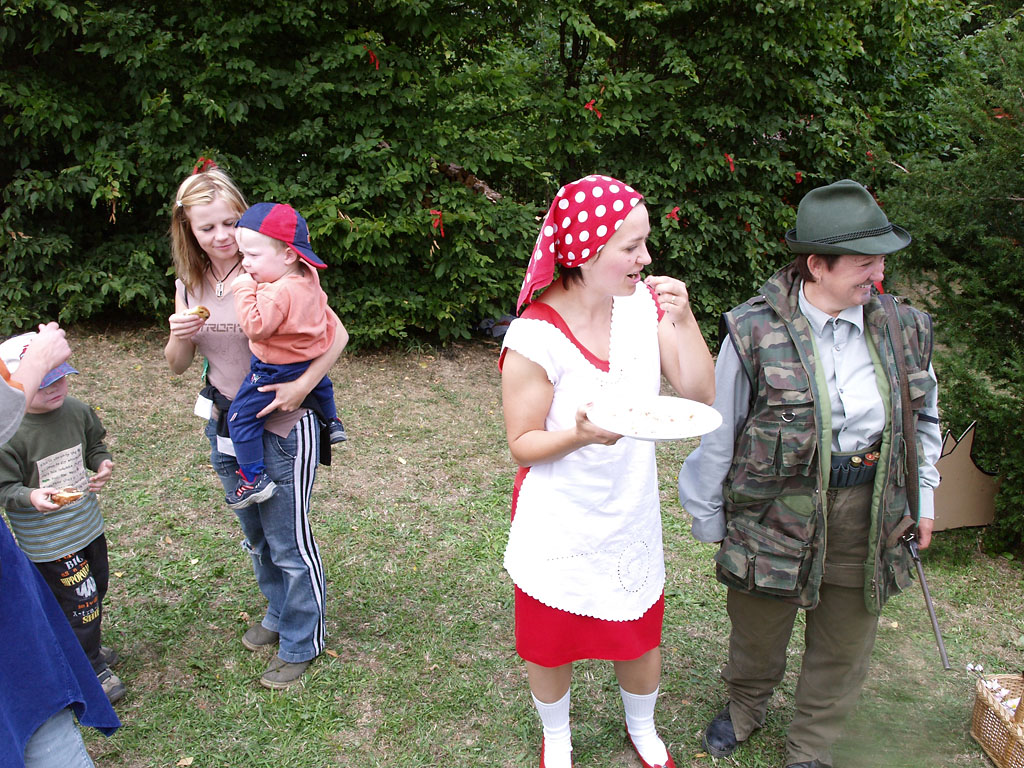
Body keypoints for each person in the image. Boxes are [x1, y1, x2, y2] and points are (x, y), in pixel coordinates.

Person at [677, 179, 941, 768]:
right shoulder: (753, 331)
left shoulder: (906, 328)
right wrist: (709, 516)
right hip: (773, 511)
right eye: (864, 263)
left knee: (846, 637)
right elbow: (721, 431)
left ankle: (812, 742)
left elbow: (924, 420)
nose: (879, 274)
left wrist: (923, 498)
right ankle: (745, 706)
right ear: (817, 265)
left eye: (882, 261)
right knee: (758, 626)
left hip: (869, 509)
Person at [500, 175, 715, 768]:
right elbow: (522, 444)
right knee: (551, 640)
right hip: (561, 515)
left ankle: (642, 728)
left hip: (629, 506)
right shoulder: (535, 335)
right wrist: (579, 435)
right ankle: (557, 738)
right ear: (585, 250)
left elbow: (700, 392)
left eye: (645, 243)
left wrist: (687, 320)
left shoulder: (644, 304)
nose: (645, 259)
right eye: (631, 246)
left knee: (638, 631)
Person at [164, 161, 348, 689]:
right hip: (225, 420)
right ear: (189, 230)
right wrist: (178, 333)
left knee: (288, 541)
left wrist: (301, 387)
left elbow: (337, 335)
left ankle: (302, 639)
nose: (221, 236)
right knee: (256, 535)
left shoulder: (282, 273)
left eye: (230, 222)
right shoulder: (191, 283)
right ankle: (278, 611)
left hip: (285, 423)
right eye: (207, 227)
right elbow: (177, 364)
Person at [0, 325, 120, 768]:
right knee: (80, 600)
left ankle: (85, 647)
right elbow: (4, 488)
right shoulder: (9, 434)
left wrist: (101, 463)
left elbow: (95, 443)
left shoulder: (76, 410)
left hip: (86, 526)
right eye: (43, 381)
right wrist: (29, 496)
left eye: (61, 378)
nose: (55, 388)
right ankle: (90, 665)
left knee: (96, 587)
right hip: (48, 541)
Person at [224, 201, 347, 510]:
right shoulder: (308, 275)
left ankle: (253, 478)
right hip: (307, 358)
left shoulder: (275, 291)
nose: (245, 264)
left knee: (239, 418)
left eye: (253, 256)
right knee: (322, 383)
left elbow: (256, 327)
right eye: (242, 255)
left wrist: (243, 289)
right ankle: (333, 421)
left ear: (289, 255)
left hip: (274, 370)